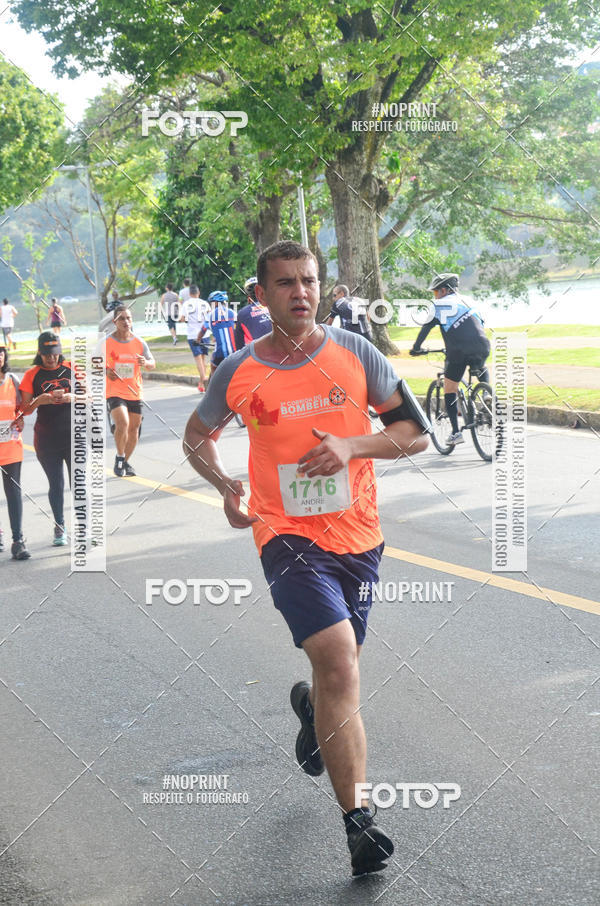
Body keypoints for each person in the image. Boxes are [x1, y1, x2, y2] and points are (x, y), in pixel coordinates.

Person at [183, 241, 430, 876]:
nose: (302, 292)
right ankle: (360, 823)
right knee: (338, 657)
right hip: (284, 535)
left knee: (335, 675)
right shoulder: (237, 370)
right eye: (287, 283)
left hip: (359, 536)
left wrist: (352, 446)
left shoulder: (355, 353)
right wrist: (227, 489)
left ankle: (308, 709)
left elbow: (414, 432)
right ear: (260, 296)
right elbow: (196, 436)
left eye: (310, 281)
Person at [410, 272, 490, 446]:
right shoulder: (468, 300)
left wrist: (416, 348)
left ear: (444, 291)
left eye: (435, 292)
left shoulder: (439, 306)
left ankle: (455, 433)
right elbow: (481, 322)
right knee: (480, 364)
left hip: (459, 351)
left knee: (450, 388)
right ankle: (486, 394)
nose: (435, 296)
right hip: (483, 344)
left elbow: (425, 329)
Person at [20, 332, 73, 546]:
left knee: (79, 483)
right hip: (46, 440)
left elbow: (92, 396)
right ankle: (59, 526)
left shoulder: (72, 368)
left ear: (60, 351)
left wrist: (74, 397)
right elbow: (24, 411)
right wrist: (39, 400)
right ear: (39, 353)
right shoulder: (32, 375)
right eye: (46, 355)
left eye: (54, 354)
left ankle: (86, 528)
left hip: (74, 436)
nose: (51, 359)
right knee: (56, 484)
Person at [104, 305, 155, 477]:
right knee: (123, 423)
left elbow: (152, 363)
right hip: (114, 391)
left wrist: (145, 363)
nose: (126, 321)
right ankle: (119, 457)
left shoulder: (139, 342)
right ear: (114, 322)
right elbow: (93, 363)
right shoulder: (106, 342)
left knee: (134, 429)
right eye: (122, 318)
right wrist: (105, 371)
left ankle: (125, 461)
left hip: (134, 391)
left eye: (129, 318)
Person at [0, 345, 30, 559]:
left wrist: (21, 419)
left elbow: (23, 408)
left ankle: (18, 541)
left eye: (1, 352)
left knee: (13, 494)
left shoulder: (13, 380)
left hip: (10, 445)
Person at [179, 284, 211, 392]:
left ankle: (204, 380)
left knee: (198, 359)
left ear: (189, 294)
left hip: (193, 334)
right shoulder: (205, 303)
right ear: (198, 293)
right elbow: (210, 317)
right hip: (205, 334)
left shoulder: (186, 304)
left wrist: (185, 319)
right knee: (203, 359)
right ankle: (202, 383)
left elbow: (182, 319)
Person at [198, 291, 237, 374]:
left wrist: (197, 340)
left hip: (220, 352)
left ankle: (213, 386)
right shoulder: (233, 313)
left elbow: (203, 330)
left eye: (211, 302)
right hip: (236, 351)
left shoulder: (210, 315)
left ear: (215, 303)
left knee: (213, 367)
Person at [234, 276, 272, 348]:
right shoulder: (274, 306)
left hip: (258, 353)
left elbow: (238, 344)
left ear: (249, 299)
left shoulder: (242, 313)